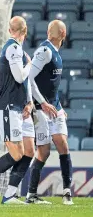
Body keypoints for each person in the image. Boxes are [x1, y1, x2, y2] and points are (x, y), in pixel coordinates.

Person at [0, 16, 34, 204]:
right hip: (8, 107)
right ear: (25, 30)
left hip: (21, 107)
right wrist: (30, 64)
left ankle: (10, 194)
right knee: (16, 154)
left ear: (10, 30)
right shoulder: (12, 48)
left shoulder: (17, 49)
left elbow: (24, 83)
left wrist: (29, 102)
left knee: (29, 150)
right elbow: (20, 77)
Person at [26, 20, 73, 205]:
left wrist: (57, 105)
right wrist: (43, 103)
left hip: (54, 107)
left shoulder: (55, 53)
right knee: (43, 151)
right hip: (41, 109)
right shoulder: (44, 52)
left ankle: (67, 192)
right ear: (64, 33)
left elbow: (50, 84)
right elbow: (29, 79)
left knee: (62, 143)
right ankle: (31, 195)